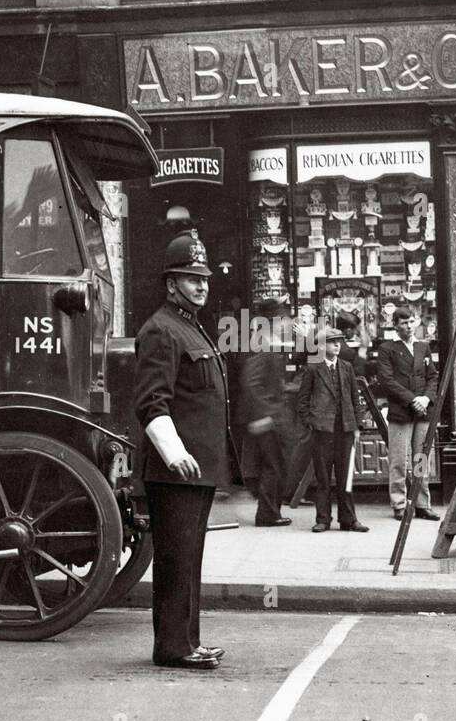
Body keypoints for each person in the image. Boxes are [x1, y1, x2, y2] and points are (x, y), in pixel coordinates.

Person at [133, 232, 231, 670]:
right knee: (177, 560)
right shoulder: (160, 330)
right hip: (177, 469)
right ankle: (173, 647)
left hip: (195, 468)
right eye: (192, 279)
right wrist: (173, 452)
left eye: (204, 279)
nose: (201, 286)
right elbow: (151, 401)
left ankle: (187, 641)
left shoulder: (187, 325)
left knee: (189, 559)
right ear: (171, 283)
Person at [297, 327, 369, 534]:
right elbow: (302, 401)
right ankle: (323, 519)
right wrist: (311, 423)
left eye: (339, 341)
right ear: (321, 345)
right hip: (322, 431)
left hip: (345, 429)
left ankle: (349, 519)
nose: (337, 345)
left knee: (345, 477)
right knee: (323, 477)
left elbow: (355, 399)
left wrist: (358, 424)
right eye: (332, 341)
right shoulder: (313, 368)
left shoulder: (346, 367)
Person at [376, 306, 440, 521]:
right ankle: (399, 503)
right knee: (399, 460)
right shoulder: (387, 349)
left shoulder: (423, 347)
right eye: (403, 323)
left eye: (412, 321)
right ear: (395, 326)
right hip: (401, 412)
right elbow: (387, 381)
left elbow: (433, 377)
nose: (409, 326)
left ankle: (422, 503)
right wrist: (412, 399)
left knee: (421, 458)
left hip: (422, 413)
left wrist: (426, 398)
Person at [239, 299, 291, 527]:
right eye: (284, 319)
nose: (287, 323)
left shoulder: (268, 342)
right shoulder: (262, 344)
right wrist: (265, 415)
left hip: (269, 415)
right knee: (273, 466)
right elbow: (251, 382)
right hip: (266, 417)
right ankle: (267, 514)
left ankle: (270, 511)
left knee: (274, 465)